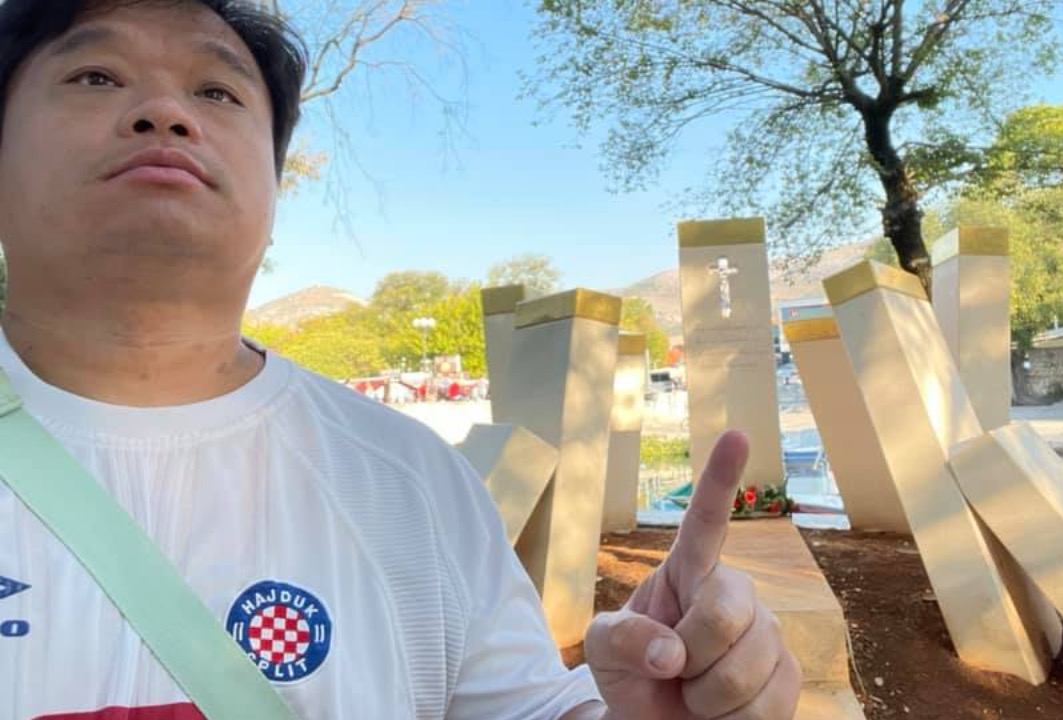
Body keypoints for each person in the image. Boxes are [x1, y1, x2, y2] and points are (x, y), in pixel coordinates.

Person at [0, 2, 799, 719]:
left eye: (217, 91)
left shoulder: (414, 482)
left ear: (274, 187)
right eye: (97, 75)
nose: (167, 114)